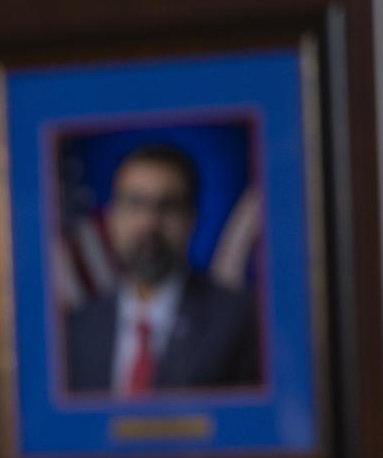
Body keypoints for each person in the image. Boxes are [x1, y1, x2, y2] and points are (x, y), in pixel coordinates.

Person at [62, 142, 261, 396]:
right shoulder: (77, 329)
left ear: (192, 218)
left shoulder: (240, 321)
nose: (150, 223)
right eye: (135, 203)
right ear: (112, 217)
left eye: (168, 205)